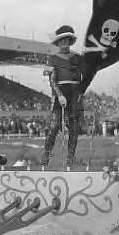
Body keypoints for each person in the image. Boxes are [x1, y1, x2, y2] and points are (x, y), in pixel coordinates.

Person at [41, 25, 84, 167]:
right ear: (58, 43)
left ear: (71, 41)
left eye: (67, 40)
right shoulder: (52, 59)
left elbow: (83, 77)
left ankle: (71, 157)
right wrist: (59, 95)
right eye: (62, 41)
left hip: (75, 95)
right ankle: (46, 152)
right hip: (60, 94)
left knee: (74, 128)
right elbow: (52, 80)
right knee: (54, 126)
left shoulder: (78, 57)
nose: (64, 43)